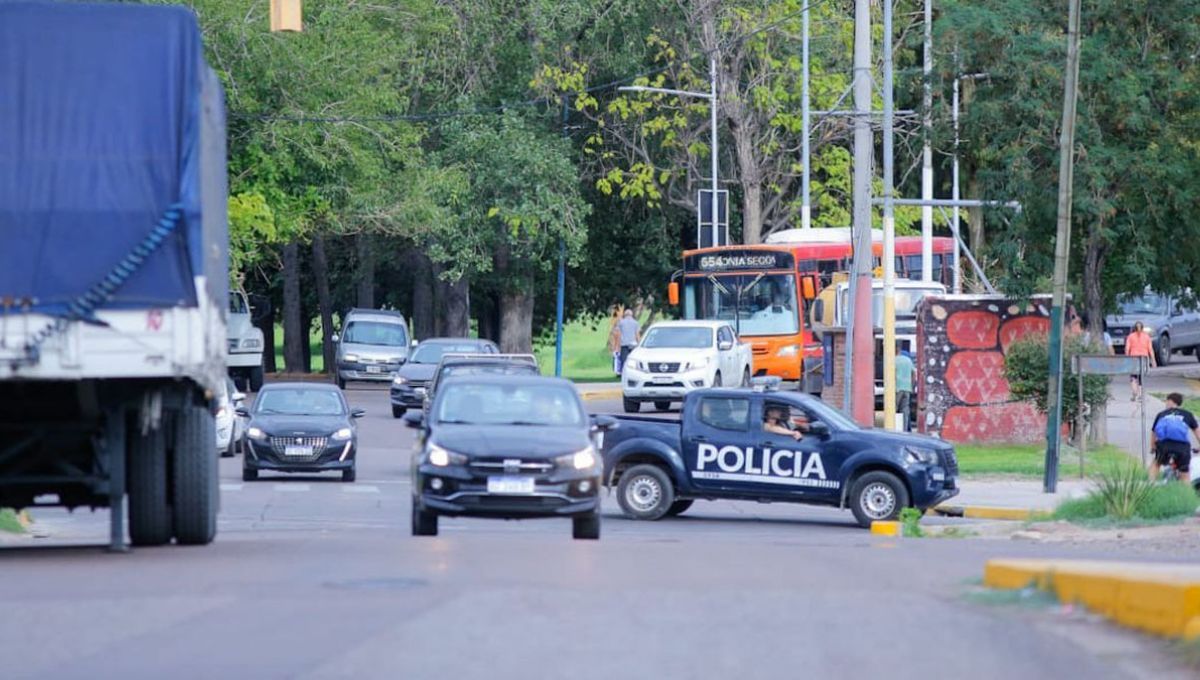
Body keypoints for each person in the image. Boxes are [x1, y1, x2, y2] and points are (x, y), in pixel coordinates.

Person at [1150, 392, 1197, 483]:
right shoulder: (1187, 414)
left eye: (1167, 401)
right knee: (1185, 474)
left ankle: (1151, 484)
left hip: (1164, 445)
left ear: (1170, 401)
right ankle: (1186, 493)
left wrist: (1153, 447)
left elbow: (1154, 432)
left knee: (1156, 464)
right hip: (1182, 447)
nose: (1166, 403)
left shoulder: (1162, 414)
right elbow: (1197, 433)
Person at [1125, 320, 1156, 401]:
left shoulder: (1130, 336)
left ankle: (1134, 392)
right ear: (1142, 328)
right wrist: (1153, 360)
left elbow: (1127, 349)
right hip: (1143, 358)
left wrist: (1126, 359)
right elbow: (1150, 349)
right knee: (1141, 377)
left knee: (1133, 377)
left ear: (1134, 328)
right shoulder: (1147, 337)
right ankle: (1141, 395)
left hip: (1133, 358)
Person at [894, 343, 916, 432]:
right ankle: (905, 430)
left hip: (897, 388)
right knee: (905, 411)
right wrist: (912, 386)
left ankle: (892, 430)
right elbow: (913, 374)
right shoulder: (908, 360)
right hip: (907, 388)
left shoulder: (893, 360)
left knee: (893, 409)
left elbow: (893, 374)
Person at [616, 308, 641, 372]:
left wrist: (617, 347)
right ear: (631, 315)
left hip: (624, 344)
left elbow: (618, 335)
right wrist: (639, 345)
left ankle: (625, 373)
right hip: (633, 345)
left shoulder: (621, 323)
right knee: (633, 361)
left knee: (624, 361)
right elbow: (637, 335)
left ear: (625, 315)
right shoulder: (636, 323)